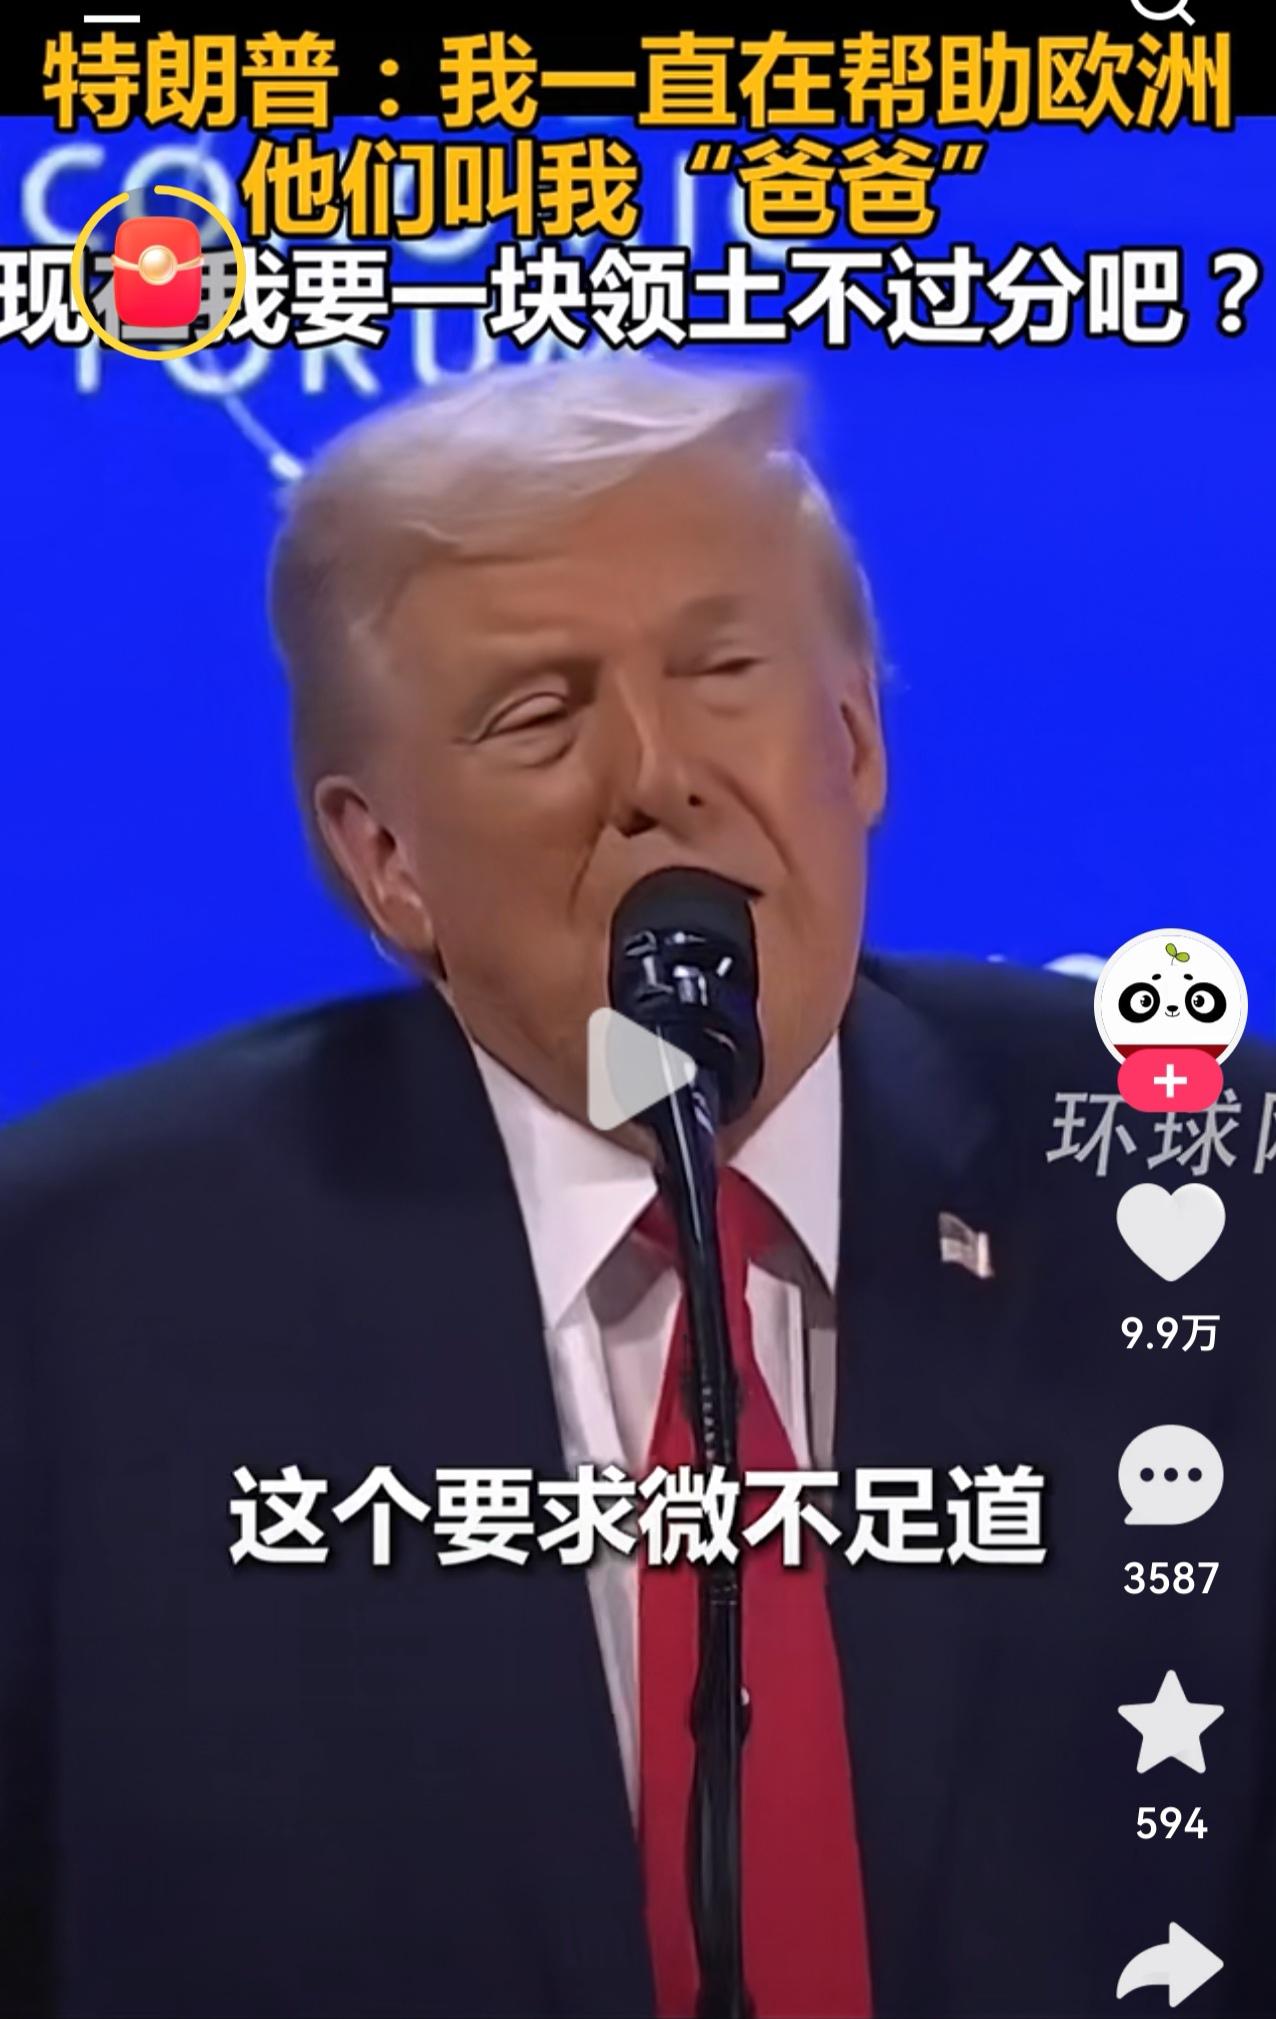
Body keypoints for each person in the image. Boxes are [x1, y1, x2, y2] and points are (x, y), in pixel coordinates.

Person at [0, 355, 1271, 2019]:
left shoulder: (1210, 1191)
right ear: (385, 861)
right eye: (540, 715)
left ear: (855, 736)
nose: (657, 771)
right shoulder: (76, 1298)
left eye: (723, 670)